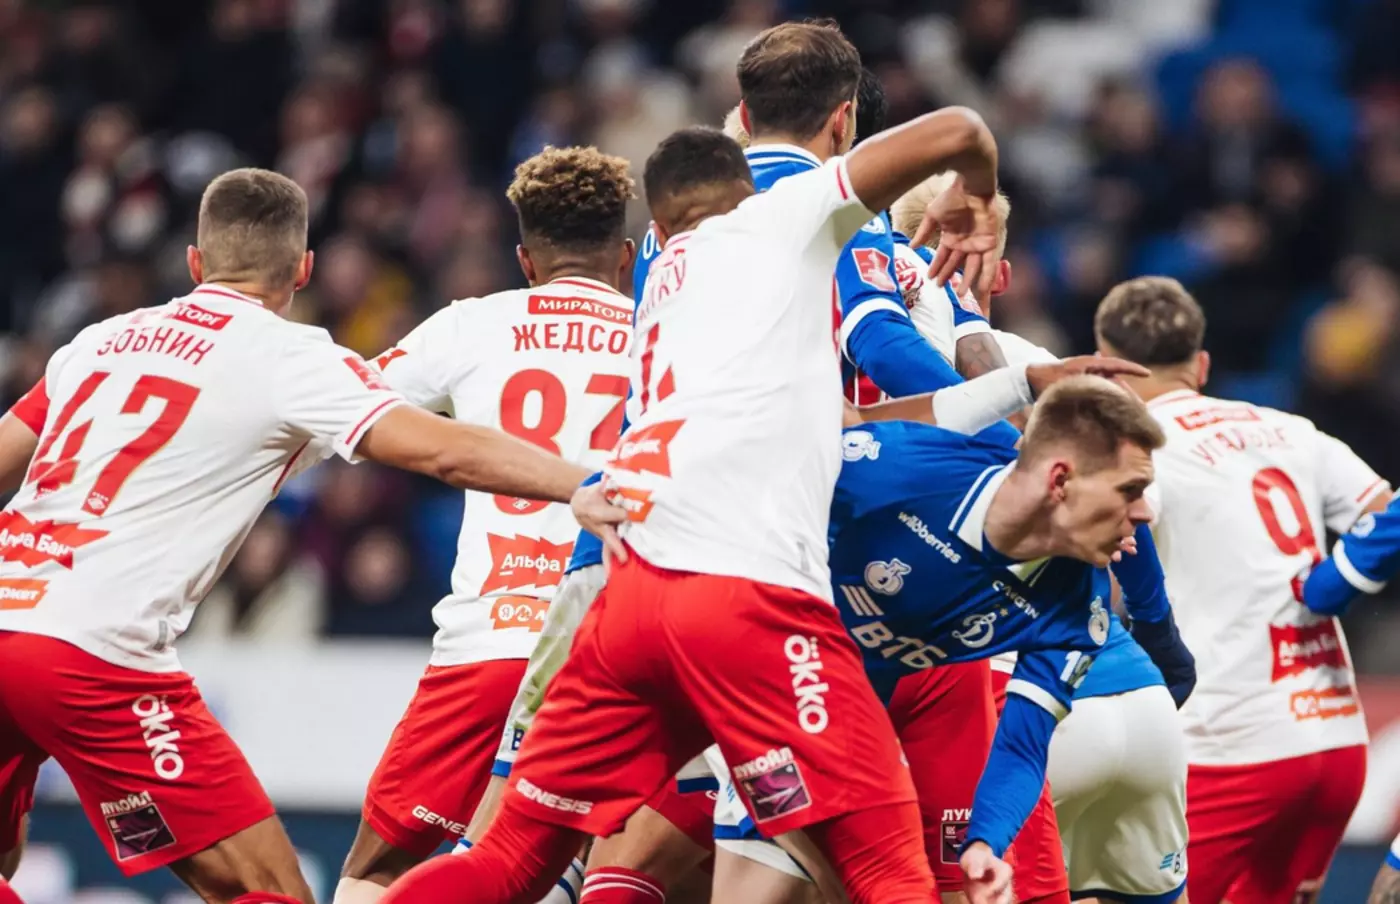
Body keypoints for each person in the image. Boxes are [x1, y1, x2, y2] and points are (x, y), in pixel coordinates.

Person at [376, 80, 1018, 898]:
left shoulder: (664, 289)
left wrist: (1014, 388)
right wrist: (975, 199)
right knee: (889, 874)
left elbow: (846, 417)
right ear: (748, 195)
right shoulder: (773, 232)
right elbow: (959, 128)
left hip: (628, 595)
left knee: (508, 862)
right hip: (746, 595)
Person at [0, 168, 622, 904]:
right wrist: (581, 484)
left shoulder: (97, 341)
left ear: (196, 262)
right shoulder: (290, 358)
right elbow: (442, 451)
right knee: (270, 892)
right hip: (91, 649)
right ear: (303, 269)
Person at [333, 146, 638, 904]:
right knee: (634, 876)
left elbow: (347, 412)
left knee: (377, 874)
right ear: (628, 256)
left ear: (525, 260)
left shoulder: (471, 325)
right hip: (623, 652)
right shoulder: (665, 336)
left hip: (491, 645)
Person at [897, 176, 1195, 904]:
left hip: (1000, 705)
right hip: (1128, 693)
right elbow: (1130, 516)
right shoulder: (1037, 364)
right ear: (999, 274)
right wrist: (1163, 648)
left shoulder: (861, 365)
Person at [1095, 276, 1391, 904]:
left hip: (1230, 747)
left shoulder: (1142, 451)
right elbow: (1385, 513)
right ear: (1201, 365)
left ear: (1108, 372)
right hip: (1334, 739)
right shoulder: (1290, 429)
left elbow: (1117, 533)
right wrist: (1344, 575)